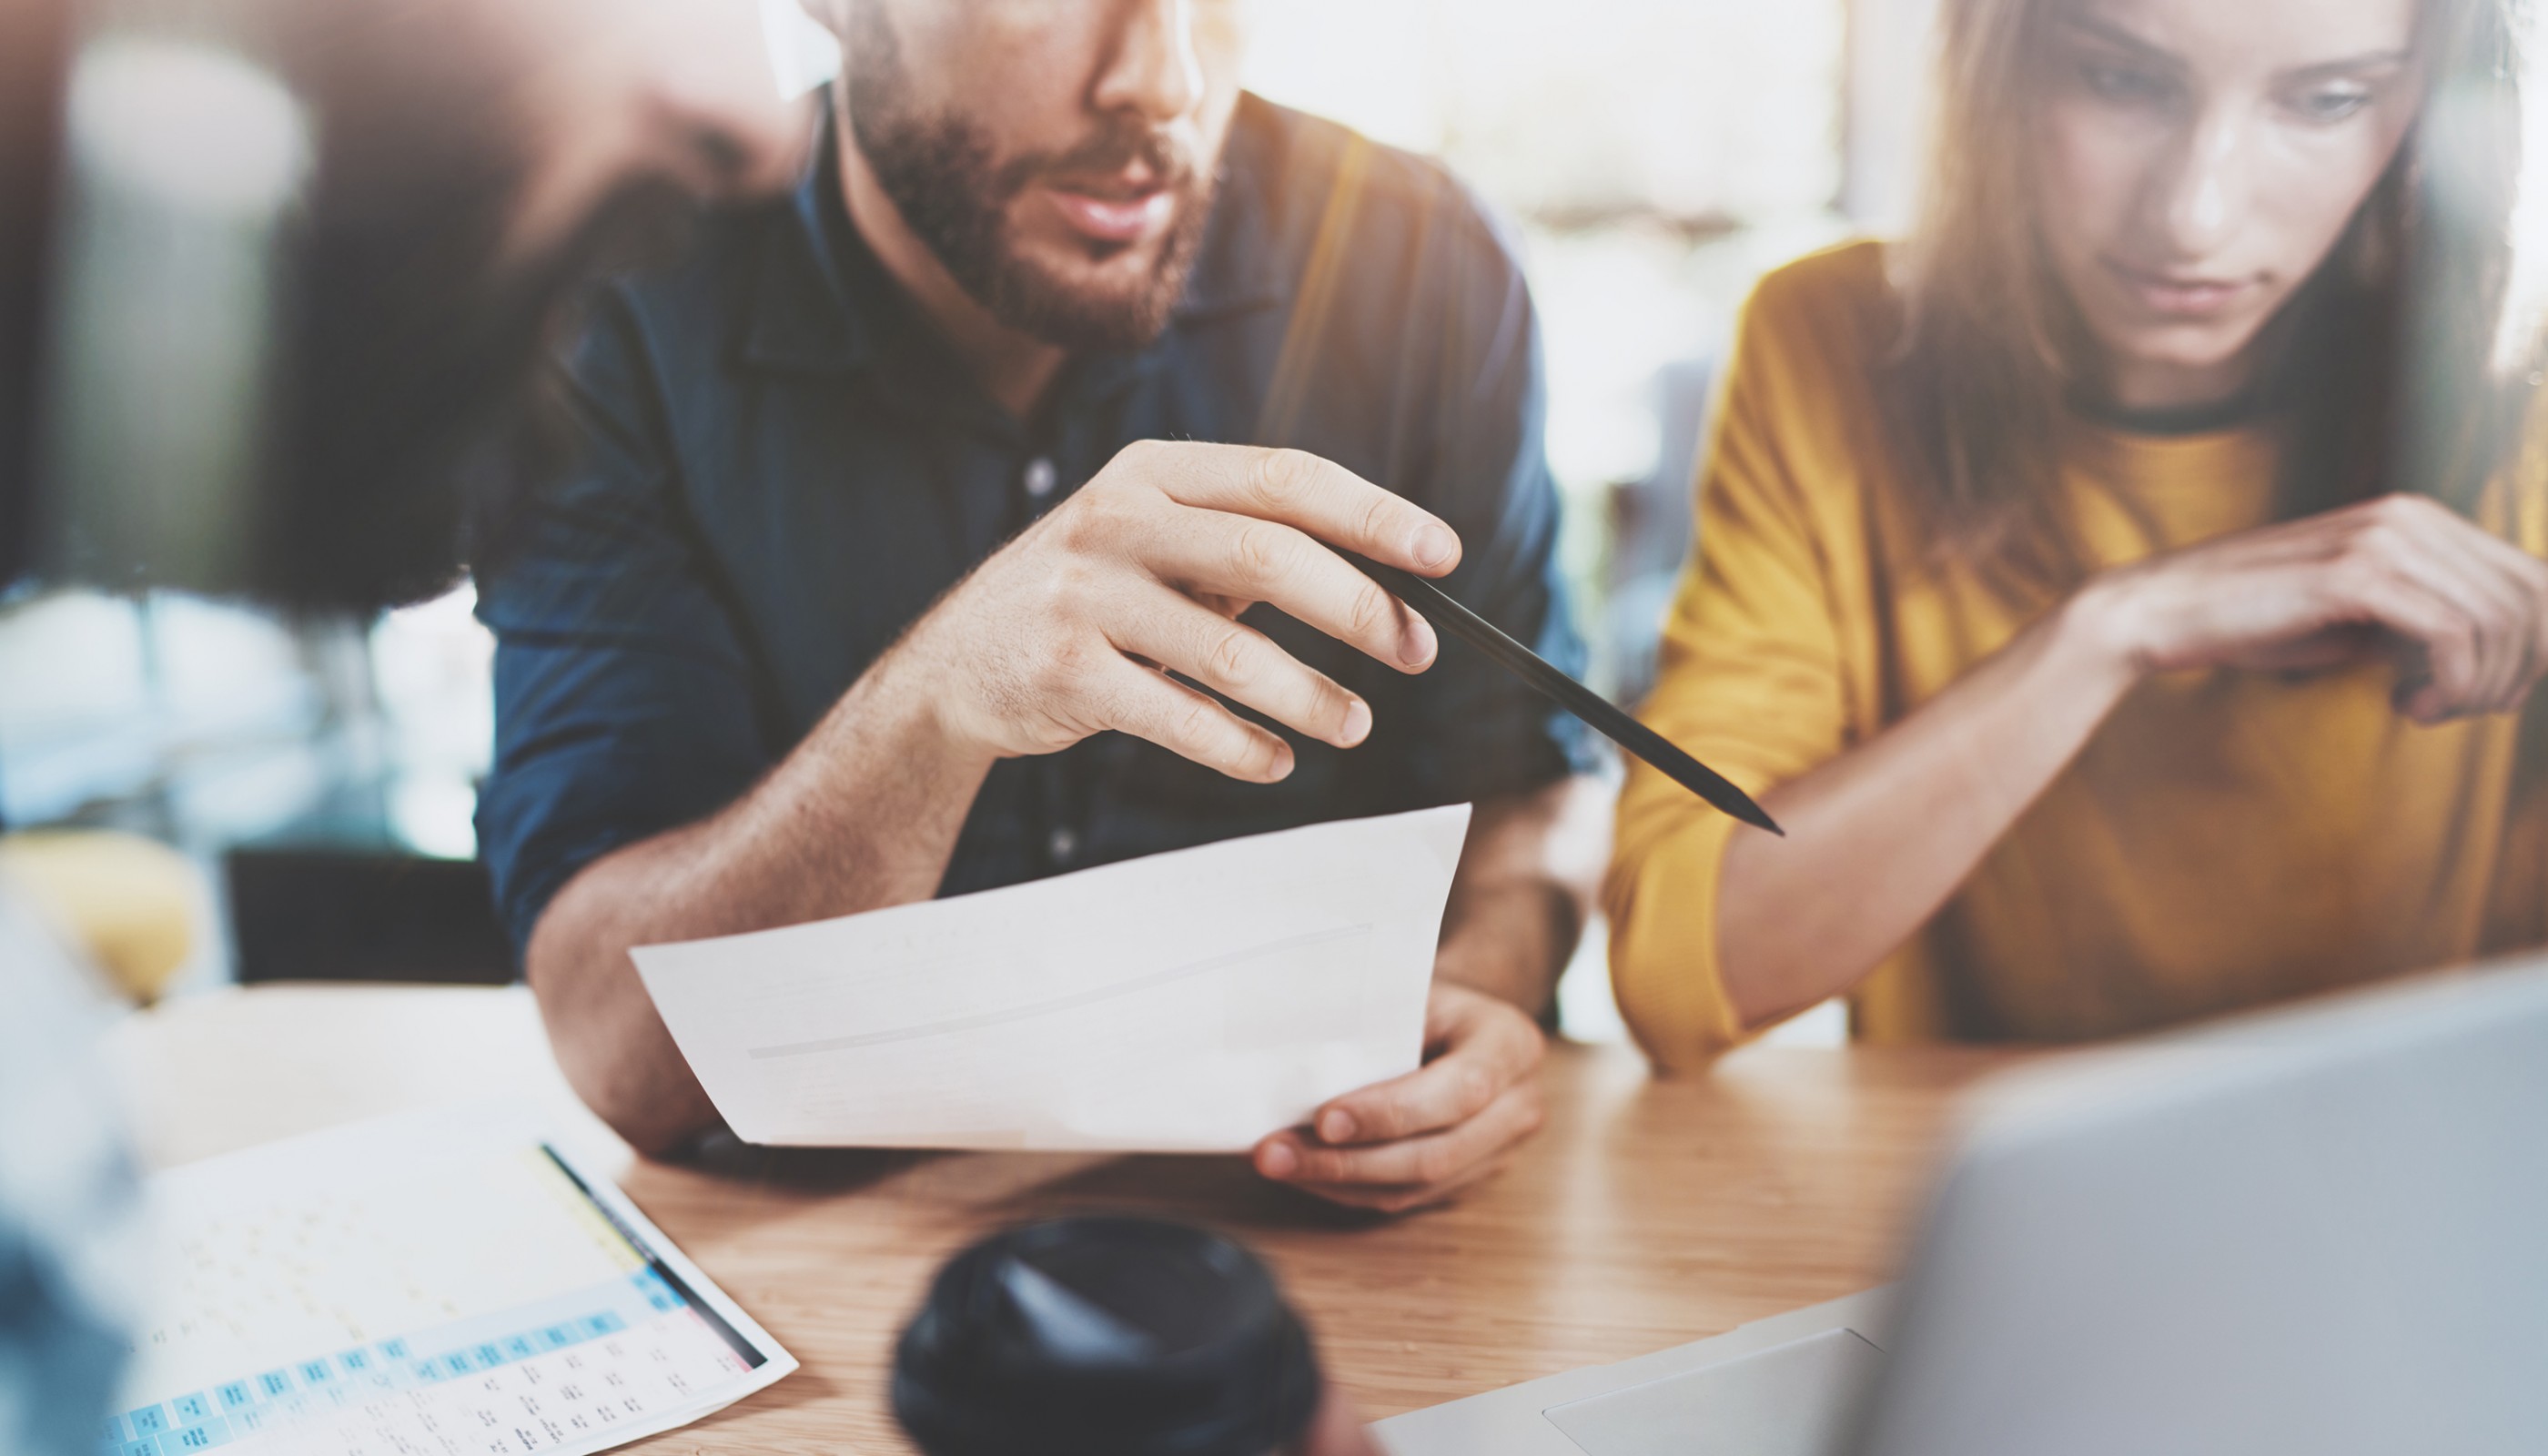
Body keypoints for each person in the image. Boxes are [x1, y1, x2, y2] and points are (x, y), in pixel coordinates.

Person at [472, 0, 1609, 1212]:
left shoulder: (1419, 265)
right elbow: (616, 1052)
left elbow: (1536, 787)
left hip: (1318, 1243)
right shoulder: (615, 307)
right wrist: (934, 707)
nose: (1162, 81)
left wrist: (1480, 987)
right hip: (818, 1259)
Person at [1606, 0, 2548, 1065]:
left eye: (2328, 101)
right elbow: (1680, 964)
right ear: (1993, 63)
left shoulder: (2526, 415)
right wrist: (2112, 630)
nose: (2195, 215)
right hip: (1987, 1196)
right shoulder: (1830, 342)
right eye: (2121, 81)